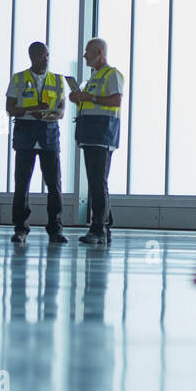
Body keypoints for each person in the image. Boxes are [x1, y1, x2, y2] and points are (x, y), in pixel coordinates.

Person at [6, 42, 67, 245]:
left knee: (54, 185)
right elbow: (10, 108)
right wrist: (32, 109)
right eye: (42, 56)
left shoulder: (57, 80)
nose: (46, 59)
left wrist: (48, 115)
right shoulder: (19, 79)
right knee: (22, 184)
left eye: (48, 55)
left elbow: (61, 111)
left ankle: (55, 229)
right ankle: (20, 229)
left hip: (49, 135)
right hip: (26, 135)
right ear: (32, 56)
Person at [70, 38, 124, 246]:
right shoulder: (93, 79)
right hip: (90, 135)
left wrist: (88, 98)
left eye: (88, 52)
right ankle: (104, 226)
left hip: (102, 134)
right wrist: (79, 97)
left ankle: (99, 228)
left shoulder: (111, 75)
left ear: (99, 52)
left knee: (98, 183)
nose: (84, 55)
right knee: (95, 183)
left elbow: (116, 100)